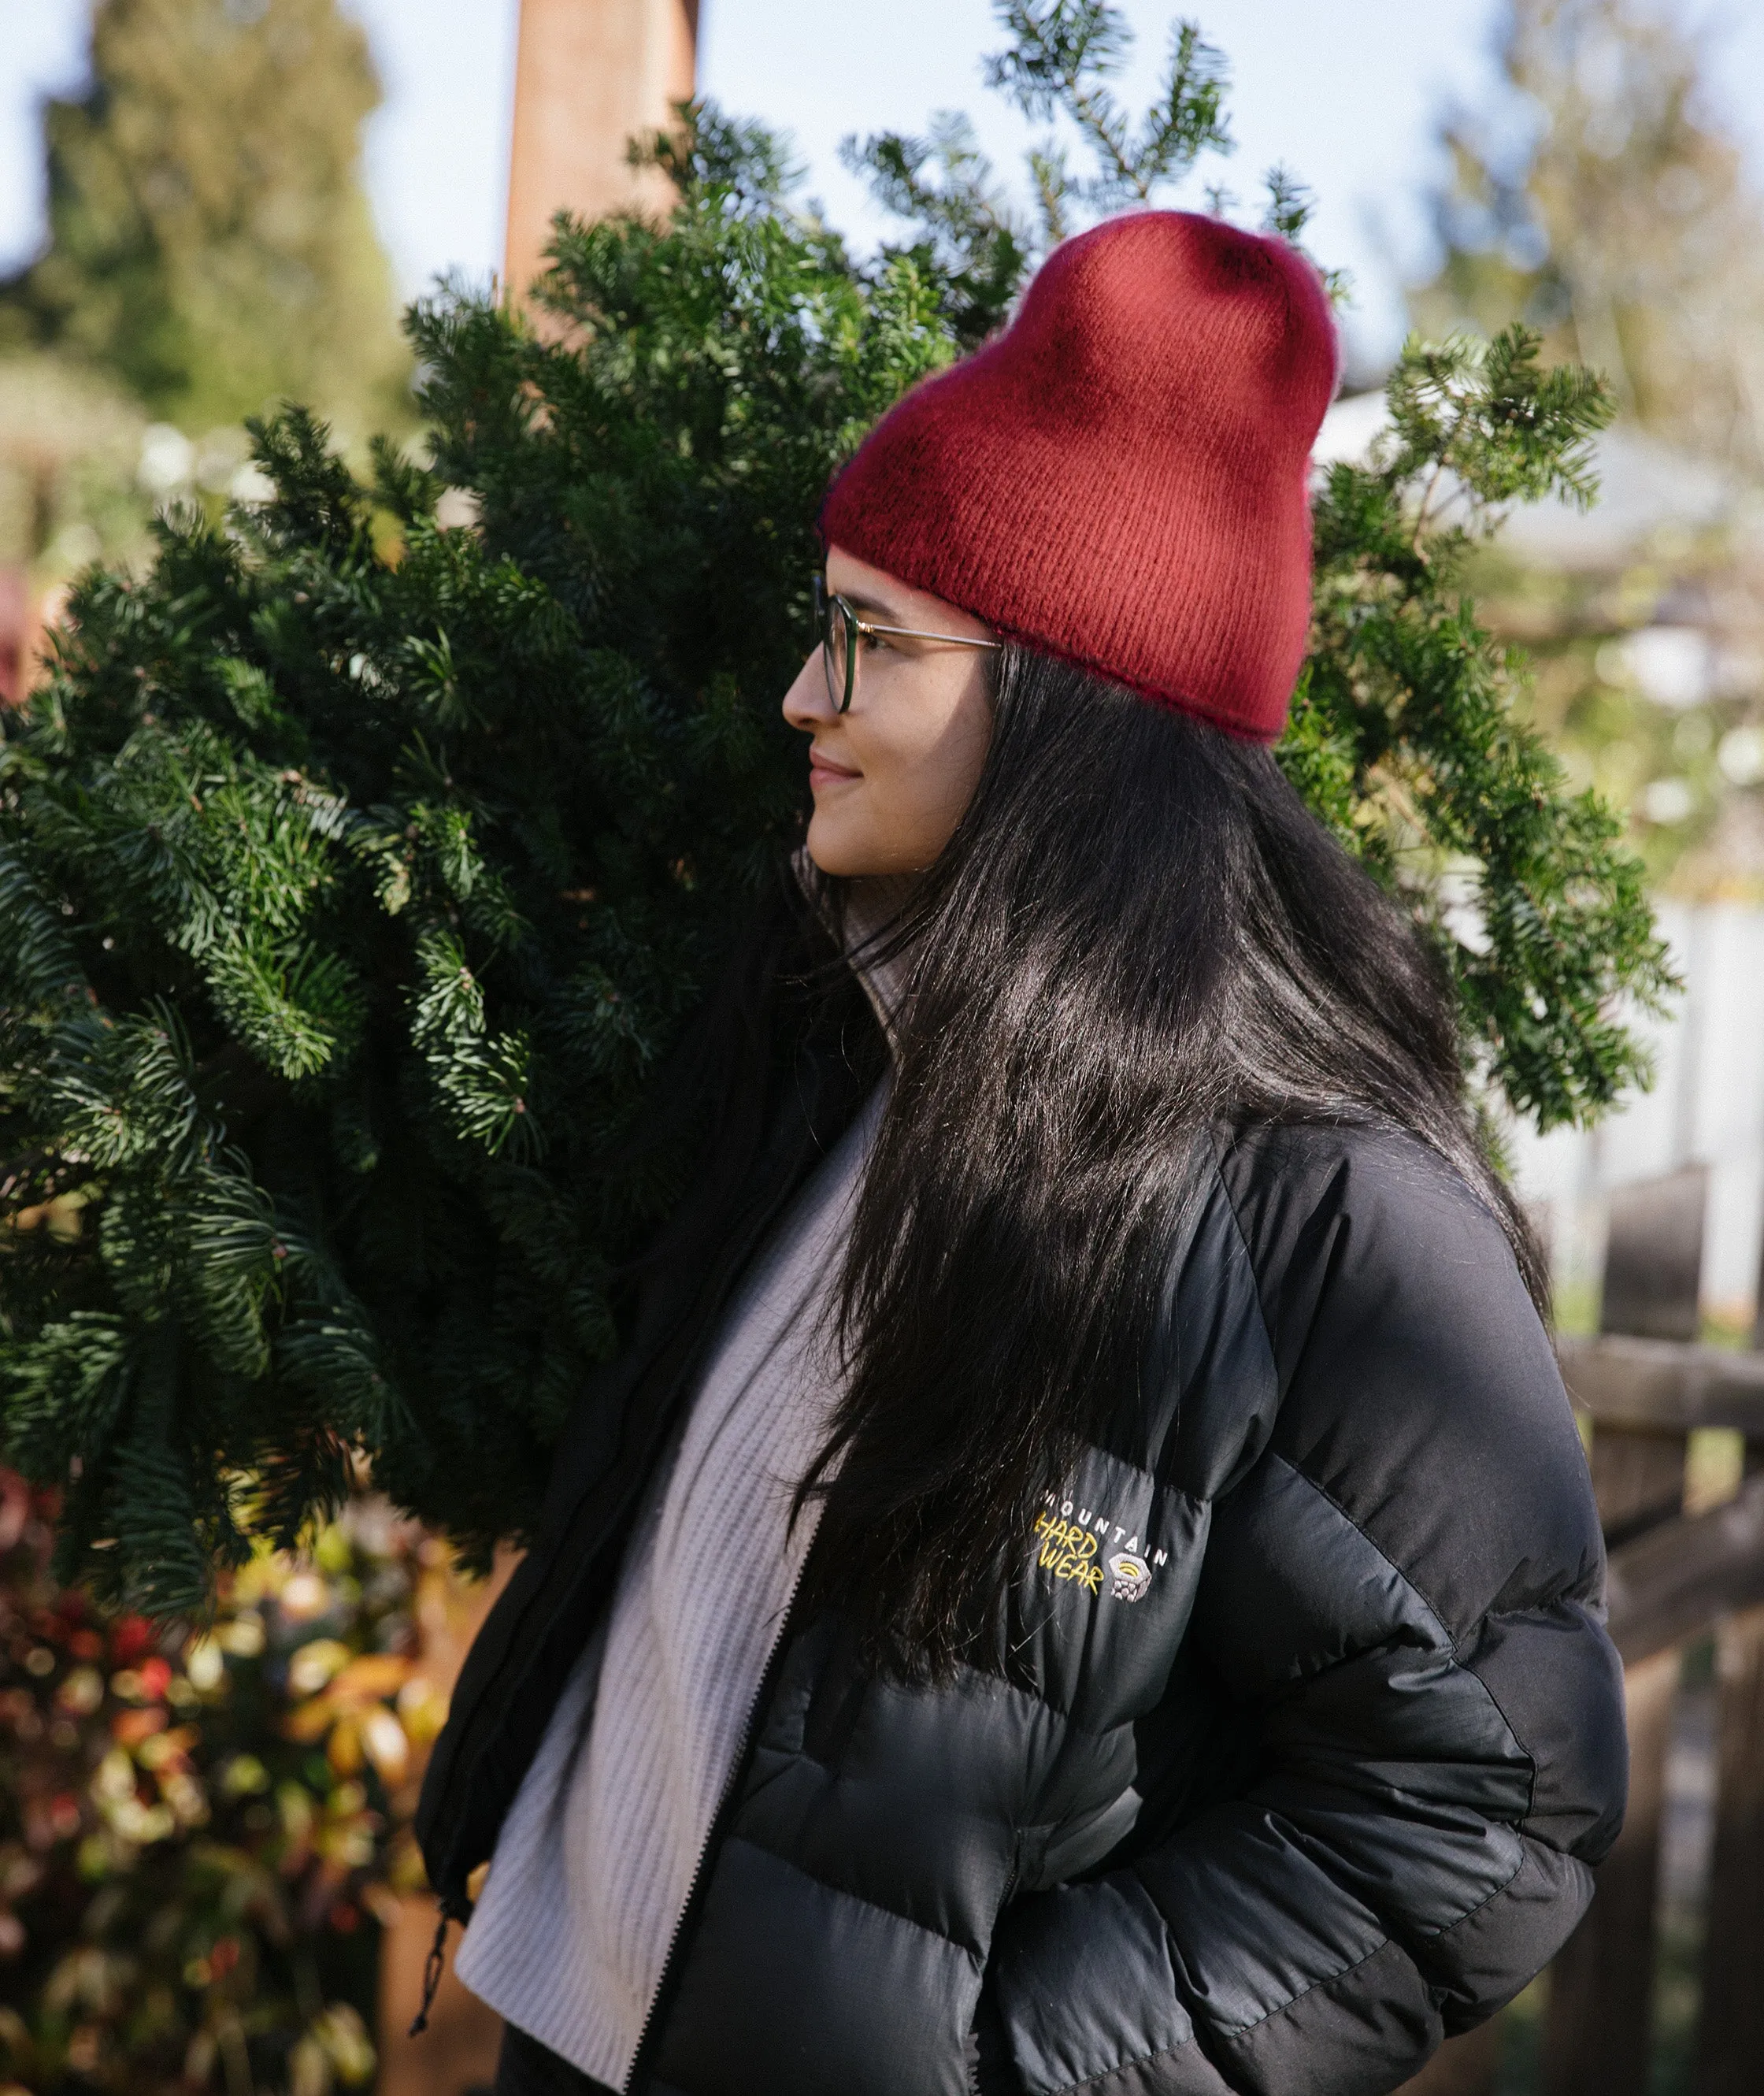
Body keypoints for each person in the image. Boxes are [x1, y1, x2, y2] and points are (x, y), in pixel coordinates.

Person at [415, 210, 1626, 2096]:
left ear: (1072, 704)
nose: (805, 696)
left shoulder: (1323, 1209)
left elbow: (1501, 1806)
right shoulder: (844, 1049)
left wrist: (1017, 2066)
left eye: (873, 639)